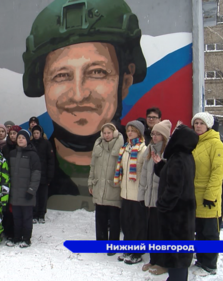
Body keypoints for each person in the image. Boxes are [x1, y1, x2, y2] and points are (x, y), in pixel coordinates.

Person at [23, 0, 147, 211]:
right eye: (61, 76)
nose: (79, 95)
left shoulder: (142, 157)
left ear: (125, 80)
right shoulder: (36, 160)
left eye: (97, 72)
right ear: (43, 84)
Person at [154, 124, 198, 281]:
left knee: (176, 254)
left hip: (176, 217)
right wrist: (160, 164)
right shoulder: (184, 157)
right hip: (182, 215)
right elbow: (171, 176)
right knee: (179, 252)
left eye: (174, 136)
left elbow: (174, 188)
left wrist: (162, 205)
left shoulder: (178, 159)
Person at [191, 112, 223, 276]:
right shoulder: (195, 143)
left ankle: (210, 263)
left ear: (208, 126)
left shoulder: (215, 144)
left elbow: (217, 172)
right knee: (199, 230)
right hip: (194, 195)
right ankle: (201, 259)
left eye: (201, 123)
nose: (198, 126)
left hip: (208, 195)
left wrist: (210, 195)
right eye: (196, 123)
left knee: (210, 231)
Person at [139, 120, 171, 275]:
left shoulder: (169, 151)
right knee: (152, 231)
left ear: (164, 136)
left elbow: (169, 176)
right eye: (153, 133)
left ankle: (162, 262)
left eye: (158, 134)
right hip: (150, 198)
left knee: (161, 232)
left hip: (162, 199)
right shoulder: (149, 149)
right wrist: (142, 194)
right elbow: (144, 173)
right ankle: (153, 258)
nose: (155, 136)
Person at [115, 120, 148, 264]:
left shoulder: (143, 149)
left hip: (138, 195)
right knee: (126, 223)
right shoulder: (125, 148)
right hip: (126, 193)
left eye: (133, 130)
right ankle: (128, 248)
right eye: (128, 130)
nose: (129, 133)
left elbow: (145, 173)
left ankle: (137, 252)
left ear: (139, 133)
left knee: (138, 224)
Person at [88, 123, 124, 250]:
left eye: (109, 133)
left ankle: (113, 245)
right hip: (99, 185)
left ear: (114, 133)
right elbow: (93, 165)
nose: (106, 135)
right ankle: (101, 243)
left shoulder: (121, 146)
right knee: (100, 216)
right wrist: (91, 182)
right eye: (104, 133)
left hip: (114, 186)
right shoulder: (98, 145)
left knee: (114, 218)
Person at [7, 130, 40, 248]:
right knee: (16, 217)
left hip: (27, 193)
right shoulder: (12, 153)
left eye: (23, 138)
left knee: (27, 218)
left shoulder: (33, 155)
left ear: (27, 140)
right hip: (14, 193)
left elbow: (36, 174)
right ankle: (16, 237)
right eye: (19, 137)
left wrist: (31, 190)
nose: (20, 139)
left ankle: (26, 239)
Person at [30, 125, 54, 224]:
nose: (36, 135)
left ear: (41, 133)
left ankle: (41, 214)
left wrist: (49, 176)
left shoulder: (47, 144)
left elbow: (51, 161)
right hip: (33, 176)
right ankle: (34, 214)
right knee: (34, 196)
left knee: (43, 196)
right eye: (34, 133)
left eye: (37, 133)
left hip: (44, 175)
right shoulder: (30, 144)